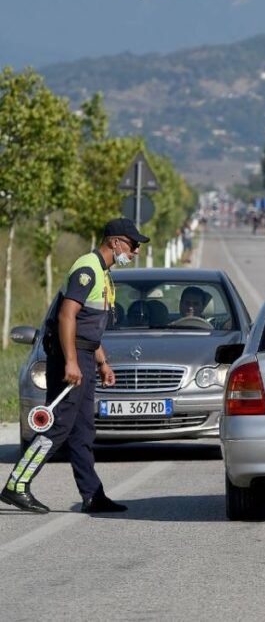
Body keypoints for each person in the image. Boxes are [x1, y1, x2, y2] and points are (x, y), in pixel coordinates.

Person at [1, 218, 148, 514]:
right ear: (115, 242)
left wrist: (102, 363)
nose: (134, 252)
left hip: (84, 355)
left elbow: (89, 329)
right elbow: (68, 317)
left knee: (83, 431)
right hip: (71, 358)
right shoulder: (87, 269)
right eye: (132, 246)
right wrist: (71, 362)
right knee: (60, 426)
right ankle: (17, 483)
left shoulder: (104, 274)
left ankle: (93, 495)